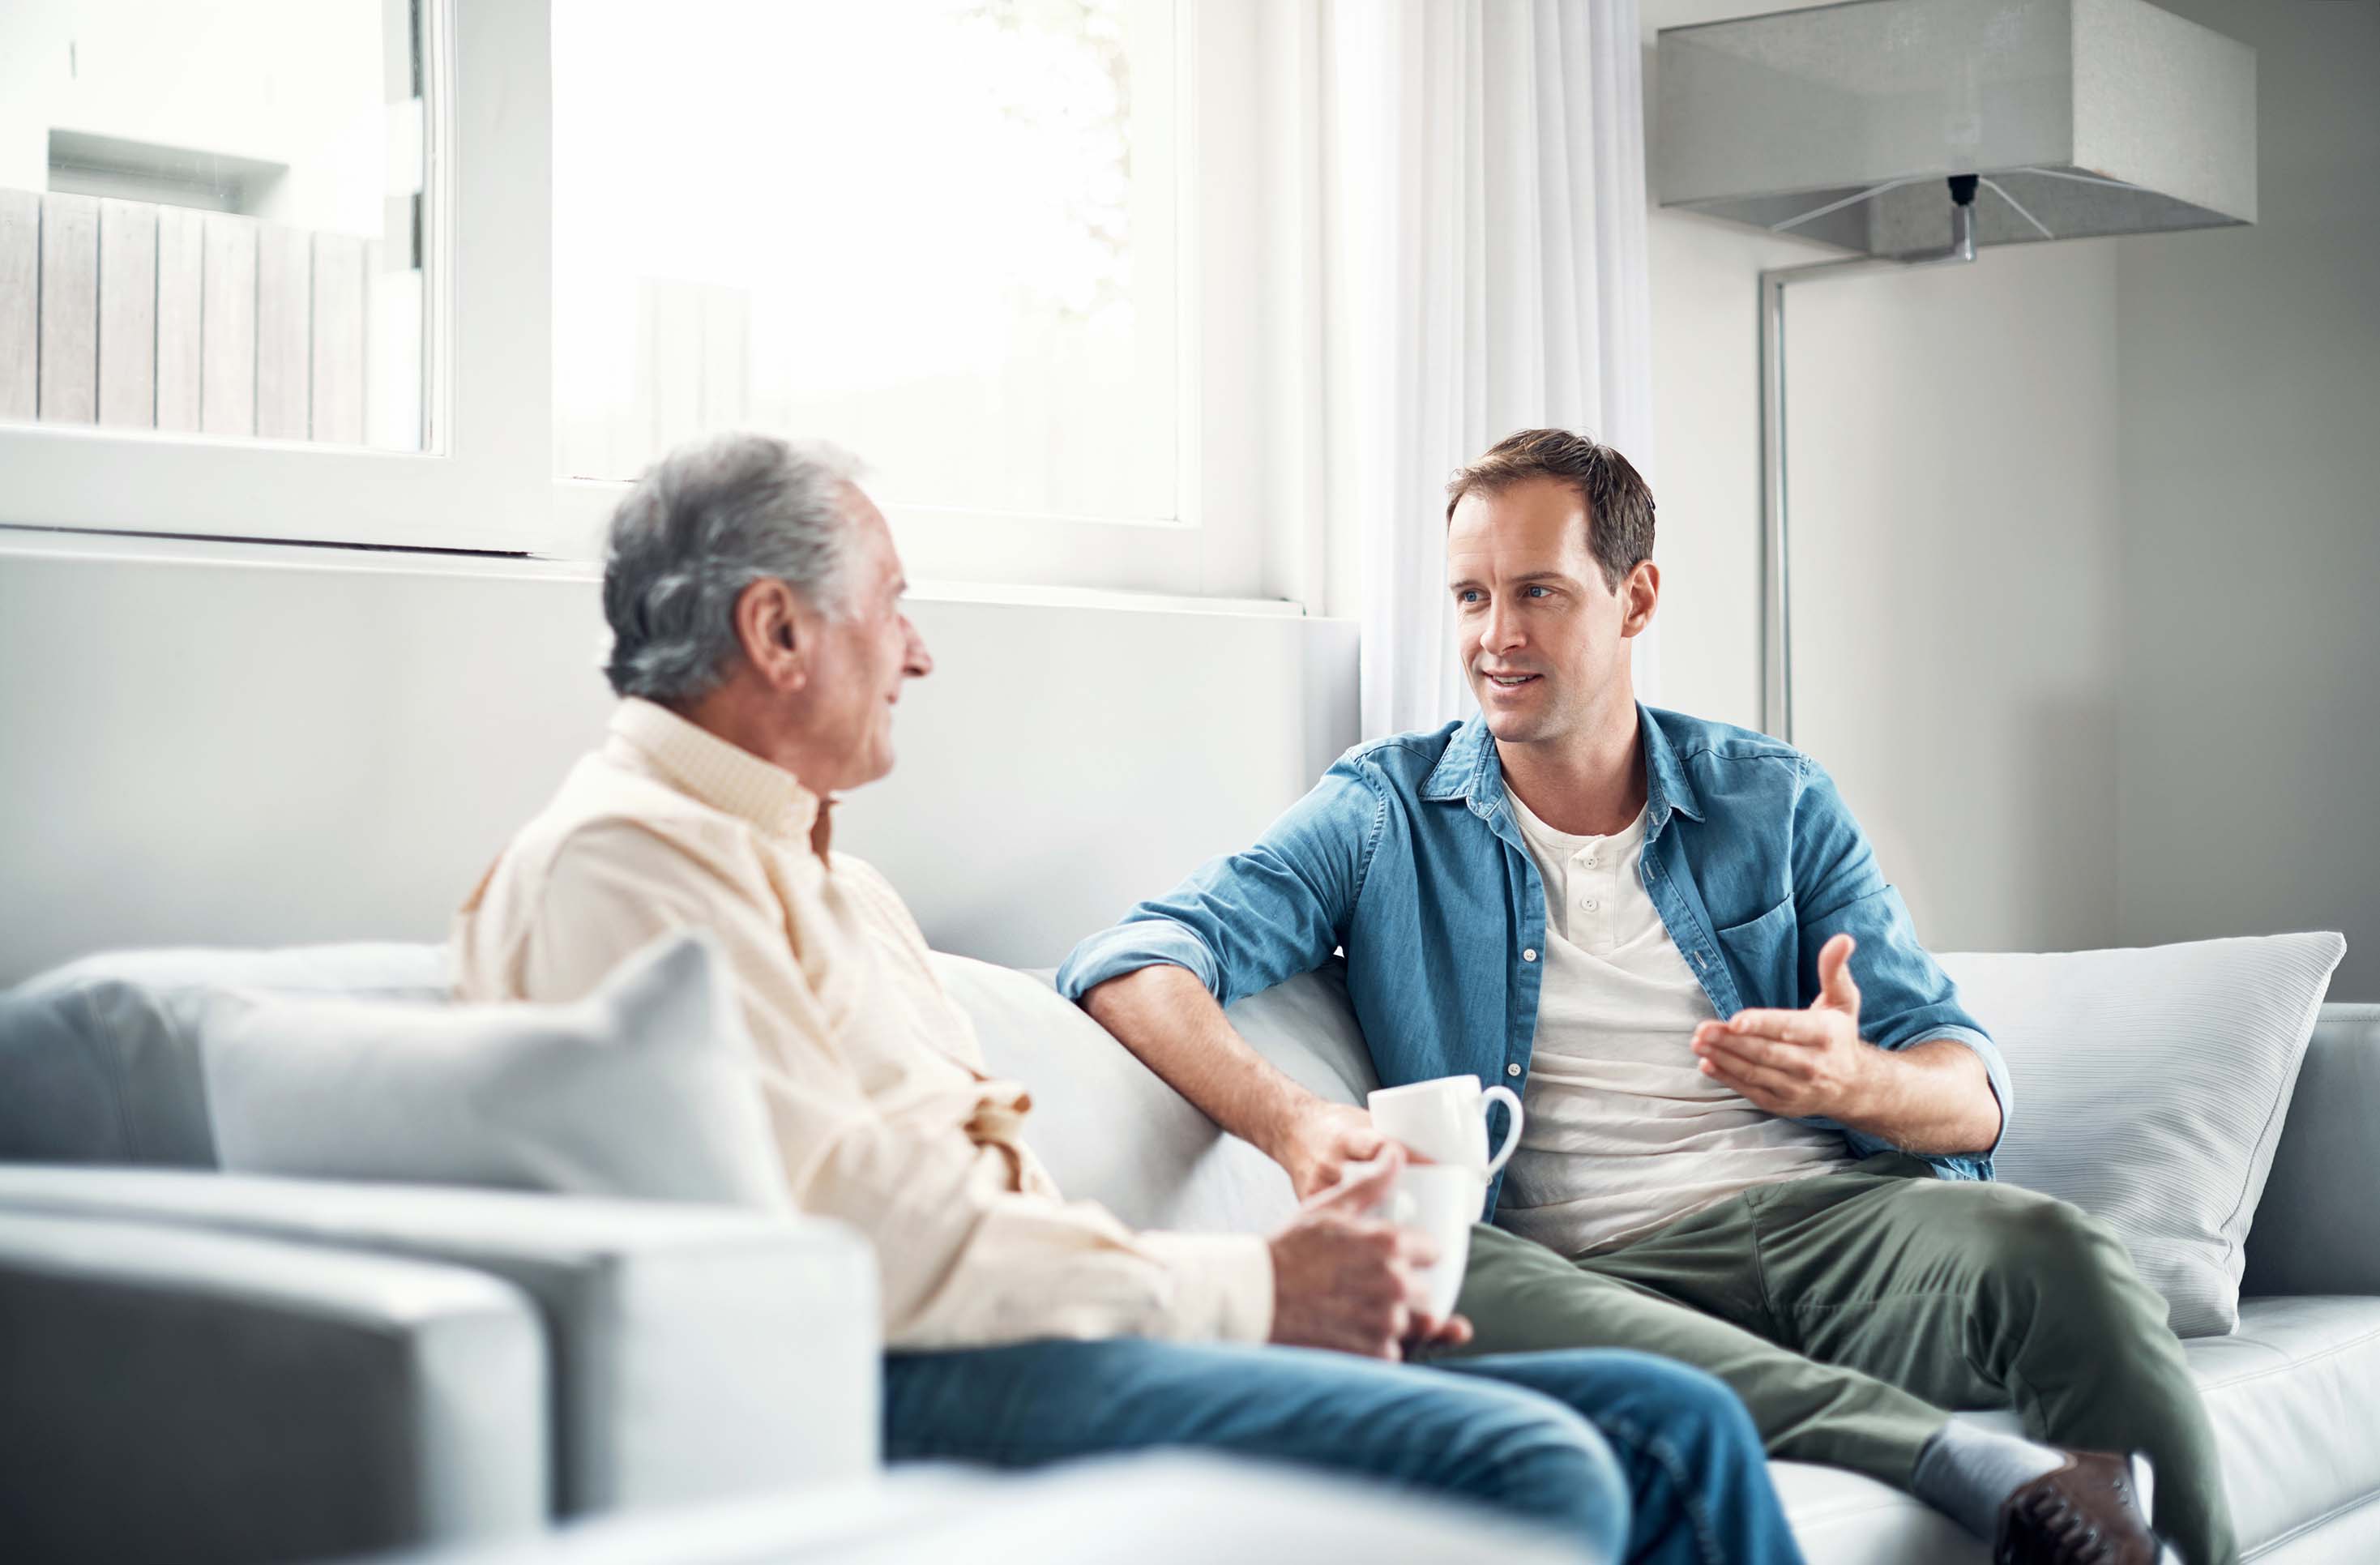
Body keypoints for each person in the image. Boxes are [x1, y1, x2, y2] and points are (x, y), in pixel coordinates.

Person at [452, 431, 1804, 1565]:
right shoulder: (624, 869)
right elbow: (863, 1248)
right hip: (886, 1382)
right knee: (1534, 1466)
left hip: (1018, 1338)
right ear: (777, 630)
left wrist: (1278, 1297)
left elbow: (979, 1206)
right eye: (891, 606)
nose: (915, 654)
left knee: (1672, 1422)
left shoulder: (834, 884)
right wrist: (1251, 1290)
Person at [1062, 428, 2226, 1565]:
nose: (1496, 637)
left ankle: (2152, 1540)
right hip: (1584, 1272)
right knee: (1435, 1272)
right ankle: (1972, 1466)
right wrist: (1295, 1124)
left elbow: (1968, 1096)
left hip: (1833, 1231)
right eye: (1470, 597)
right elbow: (1134, 960)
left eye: (1538, 592)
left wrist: (1856, 1080)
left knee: (2056, 1251)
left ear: (1636, 597)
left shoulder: (1772, 800)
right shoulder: (1381, 813)